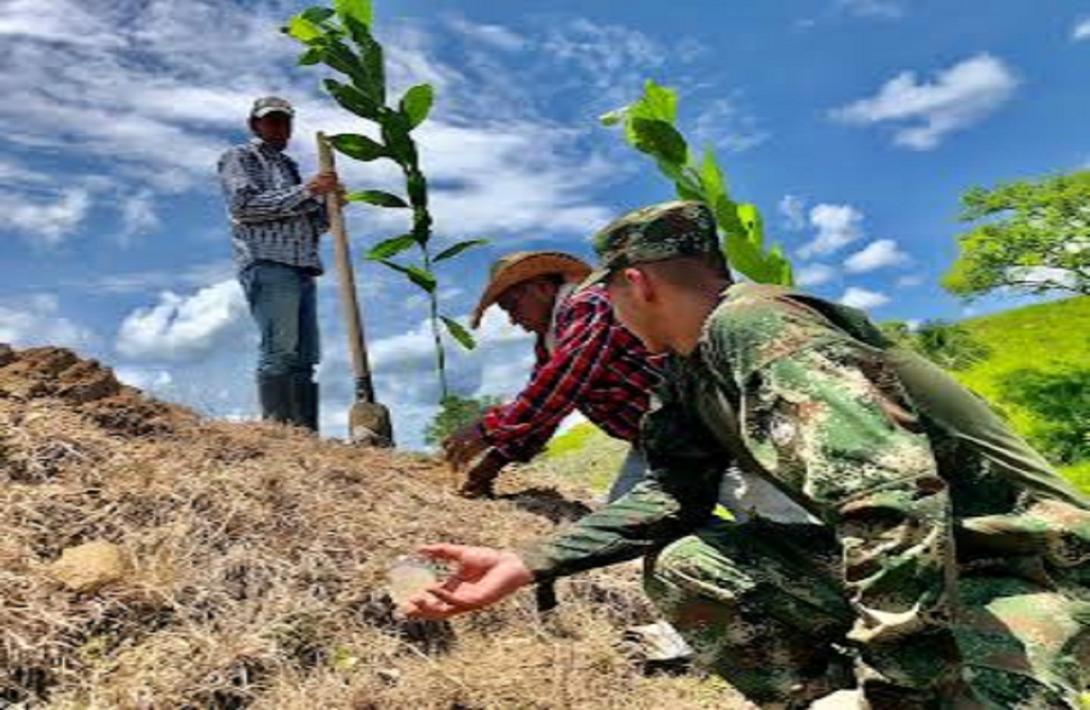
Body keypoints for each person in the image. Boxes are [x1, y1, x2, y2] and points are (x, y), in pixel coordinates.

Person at [406, 201, 1090, 707]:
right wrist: (526, 562)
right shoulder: (686, 371)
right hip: (937, 570)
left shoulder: (761, 328)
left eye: (608, 297)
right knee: (689, 566)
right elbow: (672, 495)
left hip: (1025, 568)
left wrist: (897, 688)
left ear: (636, 285)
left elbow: (891, 501)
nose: (605, 314)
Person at [442, 251, 663, 500]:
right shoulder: (550, 340)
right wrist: (494, 463)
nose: (513, 321)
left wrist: (488, 429)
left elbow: (562, 381)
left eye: (513, 306)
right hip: (654, 443)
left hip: (693, 427)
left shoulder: (589, 304)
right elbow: (545, 410)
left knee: (644, 522)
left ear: (542, 288)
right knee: (633, 520)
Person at [217, 96, 342, 431]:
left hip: (302, 266)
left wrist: (329, 208)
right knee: (280, 349)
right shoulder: (241, 157)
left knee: (305, 356)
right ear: (254, 125)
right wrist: (308, 191)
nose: (279, 127)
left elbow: (312, 225)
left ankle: (305, 433)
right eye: (271, 121)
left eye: (285, 121)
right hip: (268, 263)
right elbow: (245, 206)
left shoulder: (289, 168)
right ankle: (280, 432)